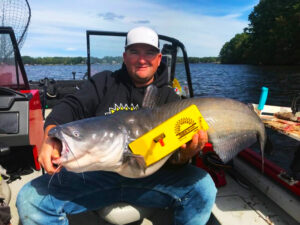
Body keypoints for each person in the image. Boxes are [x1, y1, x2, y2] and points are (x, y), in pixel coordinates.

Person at [16, 26, 217, 225]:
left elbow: (174, 160)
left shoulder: (170, 99)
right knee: (30, 200)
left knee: (204, 188)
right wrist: (51, 135)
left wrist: (185, 155)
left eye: (149, 52)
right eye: (134, 52)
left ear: (158, 59)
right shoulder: (105, 81)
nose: (141, 59)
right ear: (124, 56)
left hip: (152, 178)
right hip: (97, 175)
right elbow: (71, 105)